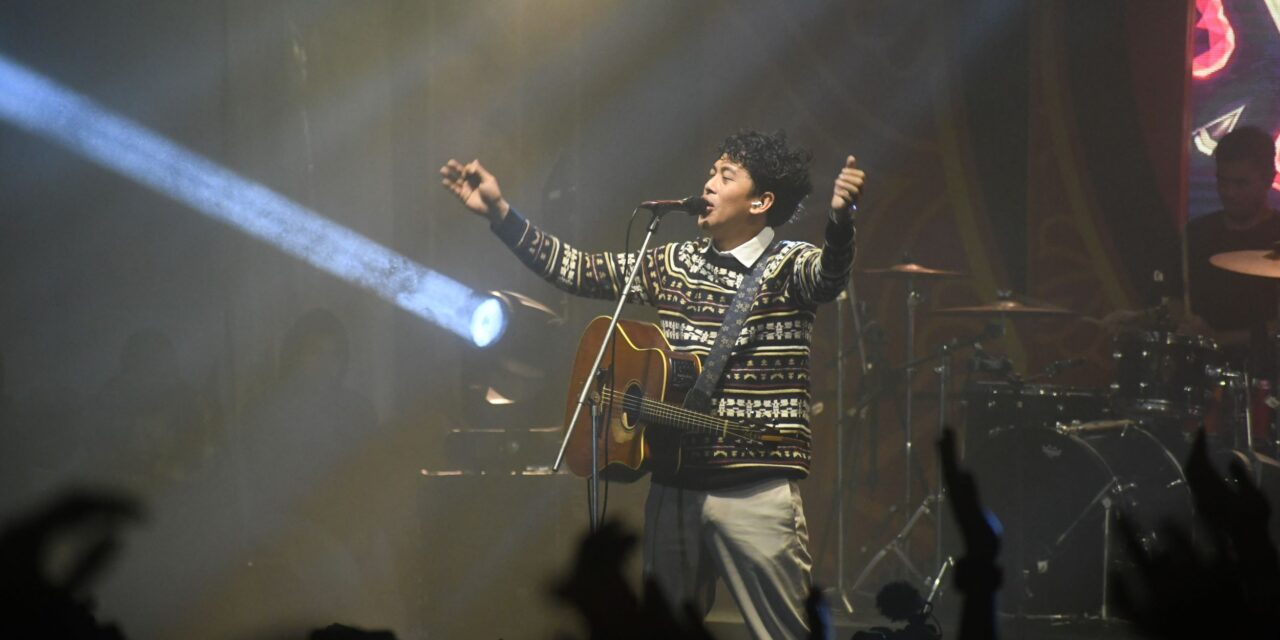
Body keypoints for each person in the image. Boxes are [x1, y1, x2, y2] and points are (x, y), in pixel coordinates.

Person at [440, 130, 864, 639]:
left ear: (761, 201)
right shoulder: (674, 261)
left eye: (725, 176)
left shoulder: (790, 264)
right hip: (675, 485)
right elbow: (580, 271)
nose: (708, 183)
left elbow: (828, 277)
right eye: (711, 171)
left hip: (755, 487)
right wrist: (501, 215)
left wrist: (840, 221)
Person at [1183, 125, 1280, 374]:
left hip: (1267, 376)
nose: (1229, 193)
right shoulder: (1197, 234)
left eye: (1241, 184)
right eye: (1222, 182)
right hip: (1200, 373)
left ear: (1269, 179)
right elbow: (1176, 298)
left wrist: (1220, 339)